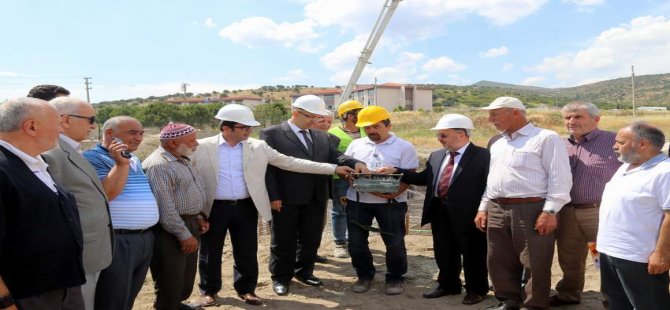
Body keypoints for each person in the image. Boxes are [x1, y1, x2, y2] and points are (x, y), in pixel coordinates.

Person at [192, 103, 356, 305]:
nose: (249, 131)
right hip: (213, 208)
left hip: (246, 206)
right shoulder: (201, 147)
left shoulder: (257, 146)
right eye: (244, 128)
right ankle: (209, 290)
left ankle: (246, 290)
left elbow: (292, 162)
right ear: (226, 128)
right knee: (210, 251)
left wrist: (333, 168)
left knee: (247, 250)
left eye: (250, 127)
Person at [260, 95, 367, 296]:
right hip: (285, 197)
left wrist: (354, 162)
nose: (314, 121)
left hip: (315, 196)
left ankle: (304, 272)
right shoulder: (272, 134)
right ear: (296, 113)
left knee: (311, 238)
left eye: (317, 117)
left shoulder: (320, 136)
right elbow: (268, 169)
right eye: (310, 117)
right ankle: (281, 277)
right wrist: (273, 196)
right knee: (283, 239)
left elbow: (335, 156)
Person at [474, 97, 572, 310]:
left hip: (532, 208)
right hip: (497, 206)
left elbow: (560, 178)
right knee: (498, 258)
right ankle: (508, 300)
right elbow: (492, 179)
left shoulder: (546, 138)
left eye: (495, 114)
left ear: (515, 113)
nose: (490, 119)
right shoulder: (497, 142)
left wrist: (550, 211)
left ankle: (533, 305)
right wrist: (484, 207)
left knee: (534, 261)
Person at [391, 114, 489, 304]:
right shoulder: (437, 155)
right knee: (444, 251)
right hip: (439, 212)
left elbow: (489, 186)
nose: (439, 139)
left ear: (461, 134)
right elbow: (424, 178)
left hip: (469, 215)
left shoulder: (483, 156)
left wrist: (484, 210)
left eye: (443, 135)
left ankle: (476, 289)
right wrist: (396, 171)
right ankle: (448, 285)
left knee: (473, 253)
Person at [0, 97, 85, 309]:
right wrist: (4, 301)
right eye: (57, 124)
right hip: (27, 295)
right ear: (31, 126)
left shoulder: (38, 162)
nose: (61, 130)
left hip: (62, 286)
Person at [42, 97, 114, 310]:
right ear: (65, 120)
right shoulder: (52, 153)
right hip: (77, 254)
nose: (94, 125)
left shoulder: (72, 150)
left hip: (91, 250)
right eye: (90, 119)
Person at [83, 116, 159, 310]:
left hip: (143, 238)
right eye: (132, 133)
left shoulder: (132, 158)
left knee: (129, 293)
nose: (139, 138)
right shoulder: (92, 158)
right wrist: (120, 164)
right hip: (118, 240)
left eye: (141, 133)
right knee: (112, 296)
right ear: (109, 133)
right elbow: (106, 194)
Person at [550, 101, 620, 307]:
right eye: (567, 117)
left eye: (578, 117)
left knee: (606, 256)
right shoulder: (559, 144)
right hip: (567, 211)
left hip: (600, 210)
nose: (571, 121)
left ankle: (614, 298)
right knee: (569, 256)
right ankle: (569, 293)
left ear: (596, 119)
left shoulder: (614, 141)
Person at [345, 106, 419, 295]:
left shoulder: (404, 146)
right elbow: (347, 172)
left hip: (391, 205)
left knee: (394, 242)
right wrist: (353, 178)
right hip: (357, 202)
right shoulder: (356, 145)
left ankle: (395, 277)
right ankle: (364, 275)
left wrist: (392, 193)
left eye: (375, 126)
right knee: (356, 242)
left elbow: (410, 176)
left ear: (388, 124)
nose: (371, 131)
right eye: (367, 128)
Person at [597, 122, 670, 309]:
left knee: (648, 304)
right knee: (616, 302)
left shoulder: (664, 172)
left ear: (642, 144)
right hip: (610, 251)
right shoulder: (626, 166)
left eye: (620, 142)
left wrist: (662, 254)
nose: (614, 146)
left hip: (640, 256)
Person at [142, 123, 209, 310]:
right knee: (170, 276)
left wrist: (198, 217)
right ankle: (167, 306)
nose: (196, 144)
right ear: (173, 142)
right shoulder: (159, 166)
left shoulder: (181, 159)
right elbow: (165, 207)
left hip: (188, 222)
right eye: (191, 140)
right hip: (171, 228)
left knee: (184, 276)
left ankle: (175, 305)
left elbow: (185, 194)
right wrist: (183, 234)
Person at [327, 100, 366, 258]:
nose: (360, 115)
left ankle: (354, 240)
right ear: (347, 115)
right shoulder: (333, 133)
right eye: (357, 112)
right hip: (340, 178)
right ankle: (340, 243)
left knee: (360, 209)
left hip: (363, 178)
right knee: (340, 210)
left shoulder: (366, 130)